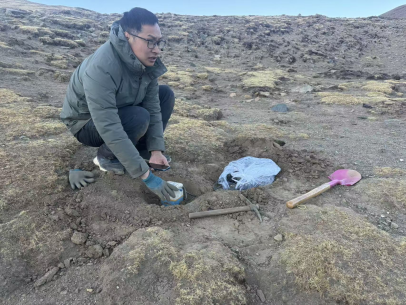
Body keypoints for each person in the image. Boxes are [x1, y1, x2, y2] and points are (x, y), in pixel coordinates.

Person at [60, 7, 178, 201]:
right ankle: (106, 157)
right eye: (150, 41)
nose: (157, 49)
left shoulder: (146, 63)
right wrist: (147, 177)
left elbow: (154, 106)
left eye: (159, 42)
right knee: (139, 117)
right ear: (128, 35)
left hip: (120, 109)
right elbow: (107, 123)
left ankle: (140, 149)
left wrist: (156, 149)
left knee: (164, 95)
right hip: (85, 122)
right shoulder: (102, 66)